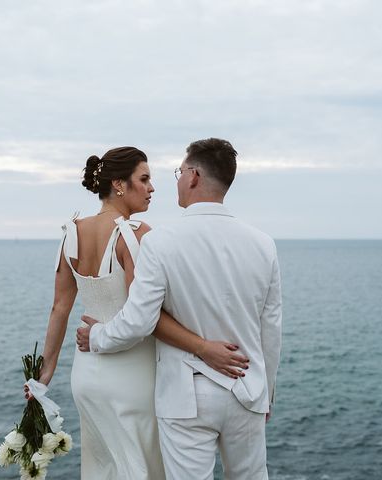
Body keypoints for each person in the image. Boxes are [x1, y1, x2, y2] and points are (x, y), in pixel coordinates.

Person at [28, 146, 249, 480]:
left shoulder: (71, 232)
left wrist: (45, 373)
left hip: (86, 377)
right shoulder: (135, 235)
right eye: (144, 179)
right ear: (119, 184)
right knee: (144, 466)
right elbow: (143, 316)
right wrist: (204, 346)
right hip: (133, 376)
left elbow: (59, 308)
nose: (152, 188)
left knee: (104, 467)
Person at [77, 138, 283, 480]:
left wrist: (96, 336)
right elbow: (271, 329)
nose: (175, 180)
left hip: (186, 395)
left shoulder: (161, 242)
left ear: (193, 176)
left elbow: (139, 321)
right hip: (247, 387)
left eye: (179, 171)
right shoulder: (264, 245)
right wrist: (267, 394)